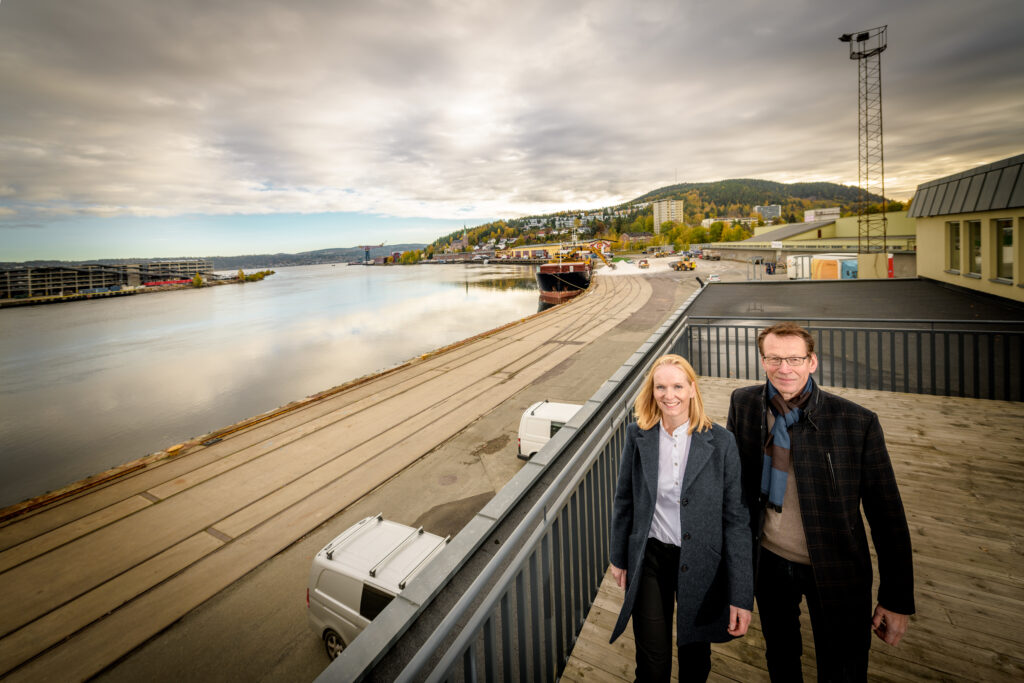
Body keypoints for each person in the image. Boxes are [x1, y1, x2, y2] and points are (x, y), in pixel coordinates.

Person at [727, 321, 915, 682]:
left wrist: (897, 598)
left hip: (837, 565)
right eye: (775, 359)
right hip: (768, 559)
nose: (785, 368)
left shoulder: (856, 423)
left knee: (844, 666)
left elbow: (886, 513)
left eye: (795, 359)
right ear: (763, 361)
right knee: (780, 655)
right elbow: (735, 490)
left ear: (812, 362)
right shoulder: (745, 403)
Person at [609, 354, 753, 682]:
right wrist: (618, 556)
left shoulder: (721, 441)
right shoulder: (638, 435)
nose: (668, 394)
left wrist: (741, 594)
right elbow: (624, 500)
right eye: (661, 386)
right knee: (652, 665)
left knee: (695, 660)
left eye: (677, 385)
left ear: (692, 389)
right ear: (652, 391)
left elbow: (736, 519)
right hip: (651, 560)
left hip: (702, 562)